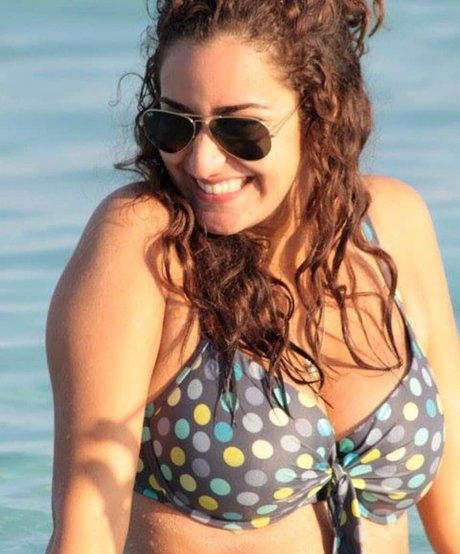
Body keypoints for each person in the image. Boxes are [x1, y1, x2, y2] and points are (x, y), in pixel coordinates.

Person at [45, 1, 460, 553]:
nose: (201, 162)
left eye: (239, 130)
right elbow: (87, 528)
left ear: (319, 110)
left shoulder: (392, 225)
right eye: (175, 125)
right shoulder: (146, 245)